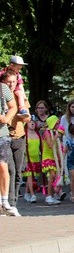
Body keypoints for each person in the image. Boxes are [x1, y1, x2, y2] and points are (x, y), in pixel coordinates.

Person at [2, 72, 29, 210]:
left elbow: (28, 118)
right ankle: (8, 202)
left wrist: (23, 116)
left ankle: (13, 202)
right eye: (9, 82)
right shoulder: (2, 96)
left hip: (19, 136)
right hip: (6, 136)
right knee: (9, 170)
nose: (11, 84)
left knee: (18, 172)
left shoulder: (19, 95)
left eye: (13, 82)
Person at [34, 100, 65, 204]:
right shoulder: (47, 133)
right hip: (48, 157)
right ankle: (49, 196)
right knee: (51, 176)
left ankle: (54, 194)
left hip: (54, 157)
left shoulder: (54, 132)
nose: (59, 125)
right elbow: (50, 145)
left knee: (55, 176)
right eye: (57, 123)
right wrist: (57, 136)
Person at [0, 78, 19, 216]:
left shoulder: (2, 88)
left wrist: (6, 119)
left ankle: (5, 201)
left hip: (1, 133)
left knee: (2, 166)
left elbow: (13, 106)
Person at [22, 118, 42, 203]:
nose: (32, 123)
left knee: (32, 177)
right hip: (27, 159)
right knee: (29, 176)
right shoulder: (24, 135)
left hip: (36, 158)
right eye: (30, 122)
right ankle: (33, 195)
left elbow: (41, 147)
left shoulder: (38, 134)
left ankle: (27, 193)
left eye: (33, 122)